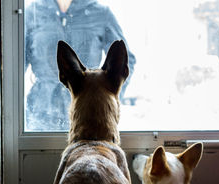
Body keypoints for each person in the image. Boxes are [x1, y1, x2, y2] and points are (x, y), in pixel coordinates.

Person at [25, 0, 136, 131]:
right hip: (40, 119)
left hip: (89, 118)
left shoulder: (100, 13)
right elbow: (14, 67)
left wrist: (109, 100)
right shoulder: (32, 13)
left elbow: (125, 60)